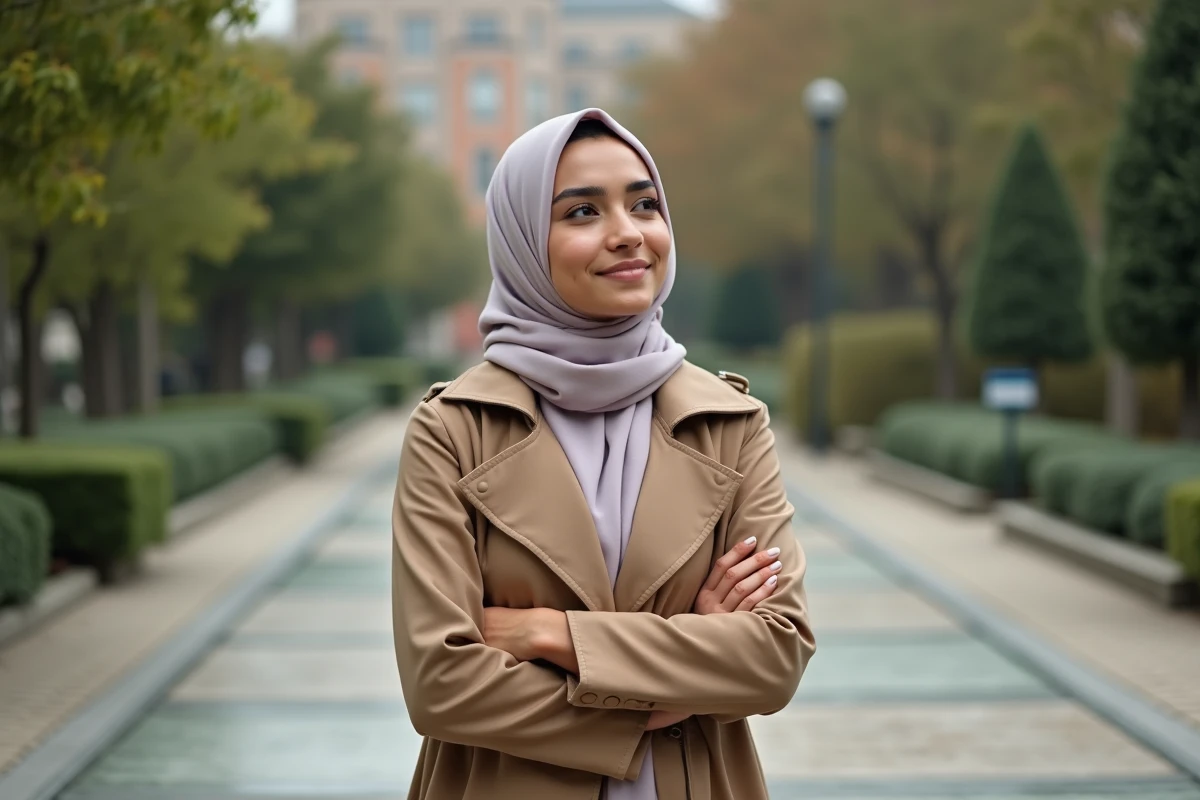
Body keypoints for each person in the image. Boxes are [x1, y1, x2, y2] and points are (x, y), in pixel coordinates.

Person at [391, 108, 814, 800]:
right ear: (524, 243)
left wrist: (550, 634)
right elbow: (441, 685)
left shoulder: (730, 423)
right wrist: (676, 680)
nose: (628, 233)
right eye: (583, 212)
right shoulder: (454, 430)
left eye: (644, 205)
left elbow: (775, 655)